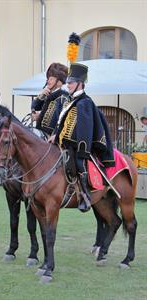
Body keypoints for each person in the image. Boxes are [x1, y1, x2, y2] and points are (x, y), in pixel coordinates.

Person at [49, 63, 115, 212]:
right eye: (67, 82)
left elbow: (84, 129)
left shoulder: (85, 102)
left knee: (79, 163)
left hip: (79, 145)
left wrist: (81, 149)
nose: (68, 85)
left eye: (71, 82)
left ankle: (85, 195)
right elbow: (62, 123)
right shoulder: (70, 101)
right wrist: (55, 135)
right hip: (64, 143)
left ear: (80, 84)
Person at [31, 62, 69, 135]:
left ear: (59, 82)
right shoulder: (48, 95)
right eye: (48, 79)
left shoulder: (64, 98)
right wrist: (41, 95)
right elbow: (34, 106)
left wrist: (40, 116)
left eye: (51, 79)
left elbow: (60, 121)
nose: (48, 81)